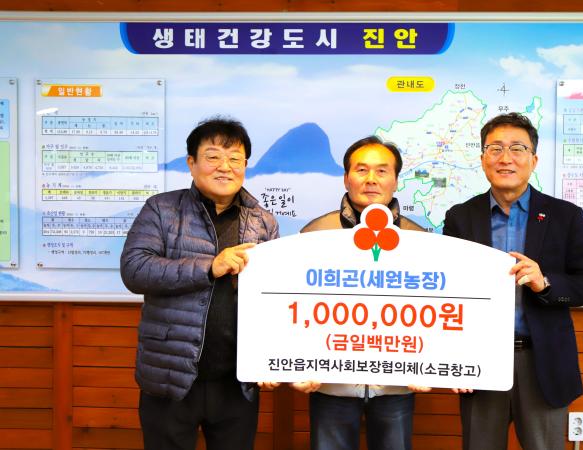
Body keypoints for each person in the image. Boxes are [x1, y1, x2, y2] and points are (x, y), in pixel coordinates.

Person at [443, 112, 583, 450]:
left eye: (517, 148)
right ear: (483, 159)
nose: (506, 158)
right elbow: (449, 294)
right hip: (480, 360)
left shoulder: (565, 216)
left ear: (534, 159)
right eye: (495, 149)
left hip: (541, 360)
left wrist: (545, 282)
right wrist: (457, 358)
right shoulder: (460, 217)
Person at [120, 117, 279, 450]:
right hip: (171, 377)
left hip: (237, 383)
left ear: (245, 165)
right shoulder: (162, 209)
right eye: (213, 157)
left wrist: (270, 358)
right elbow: (135, 270)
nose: (225, 167)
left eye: (235, 158)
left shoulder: (263, 222)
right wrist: (210, 266)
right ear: (191, 163)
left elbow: (274, 300)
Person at [294, 136, 428, 450]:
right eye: (361, 170)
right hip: (329, 383)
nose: (371, 179)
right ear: (346, 178)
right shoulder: (314, 234)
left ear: (396, 180)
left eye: (382, 171)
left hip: (397, 384)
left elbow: (430, 311)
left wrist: (427, 364)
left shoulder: (419, 239)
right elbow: (297, 307)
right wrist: (300, 365)